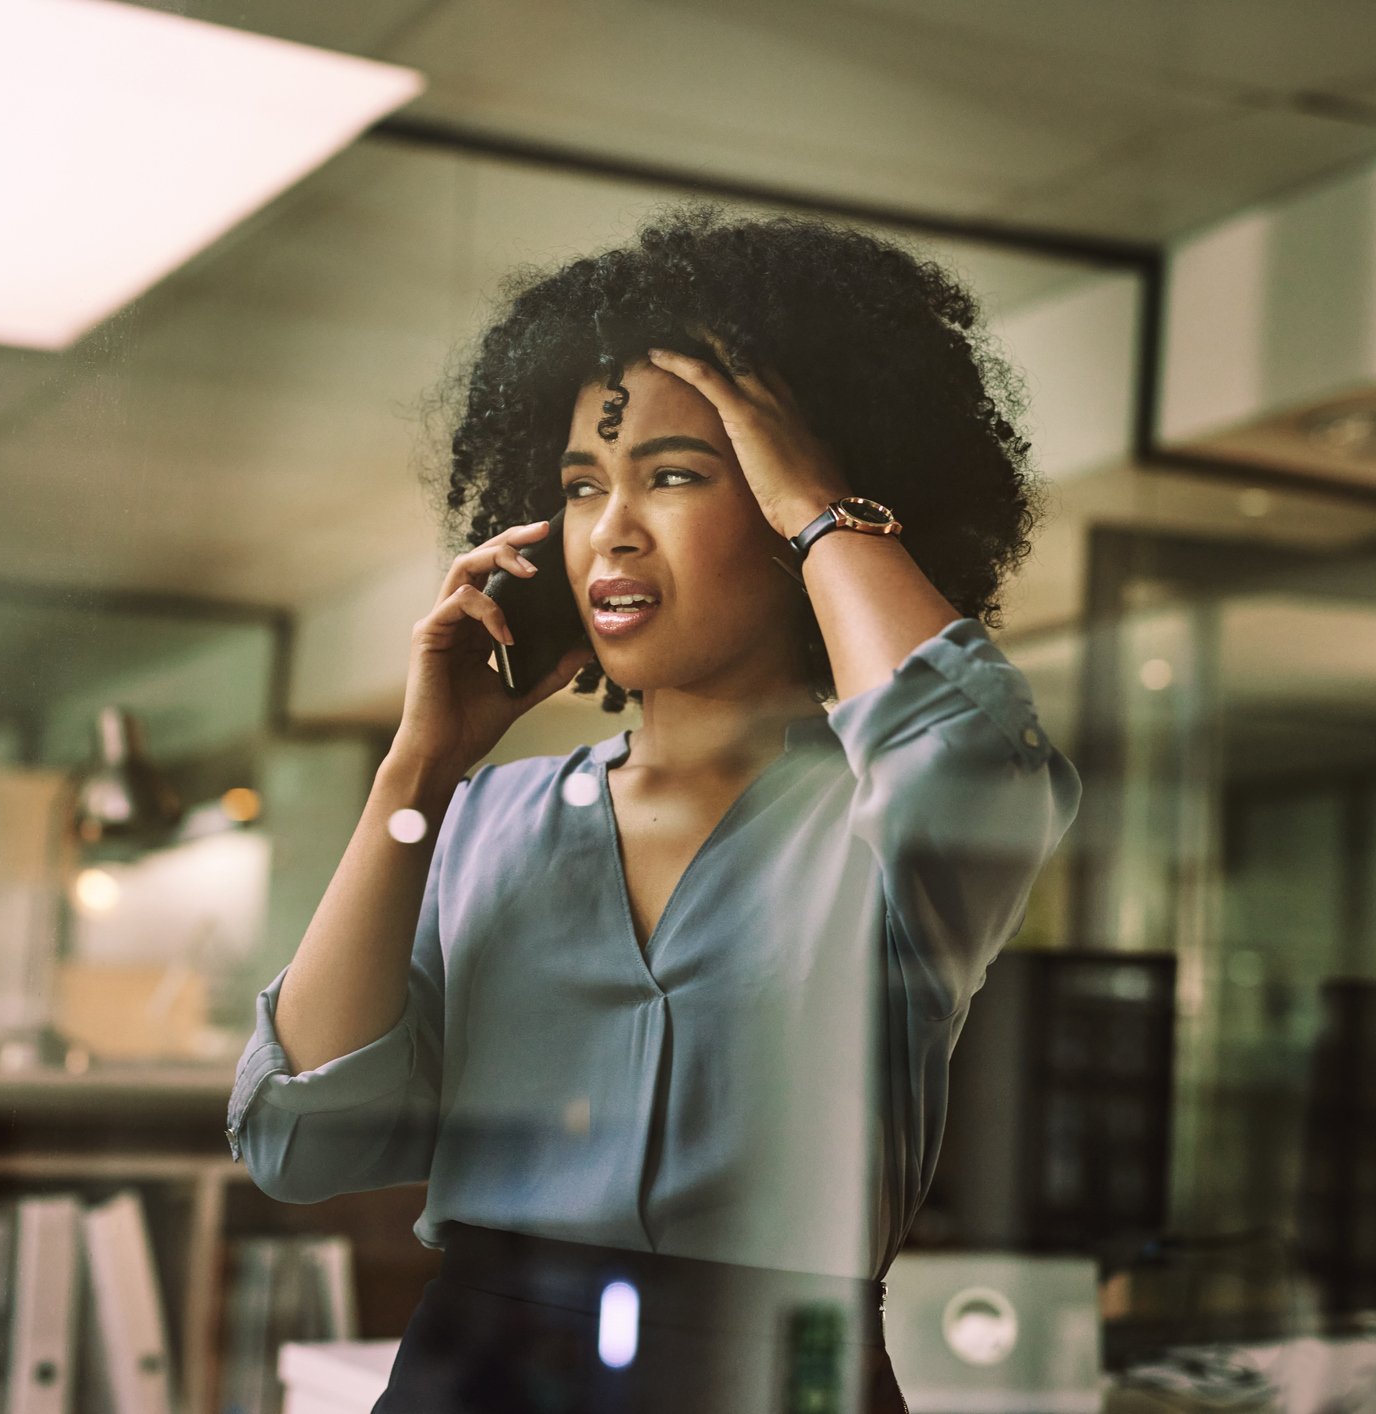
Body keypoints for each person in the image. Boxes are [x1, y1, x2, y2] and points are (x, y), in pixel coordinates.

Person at [225, 205, 1082, 1413]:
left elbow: (978, 763)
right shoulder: (483, 818)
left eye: (675, 474)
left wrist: (822, 506)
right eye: (582, 486)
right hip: (479, 1374)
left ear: (792, 497)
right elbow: (298, 1141)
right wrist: (417, 774)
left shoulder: (889, 825)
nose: (611, 531)